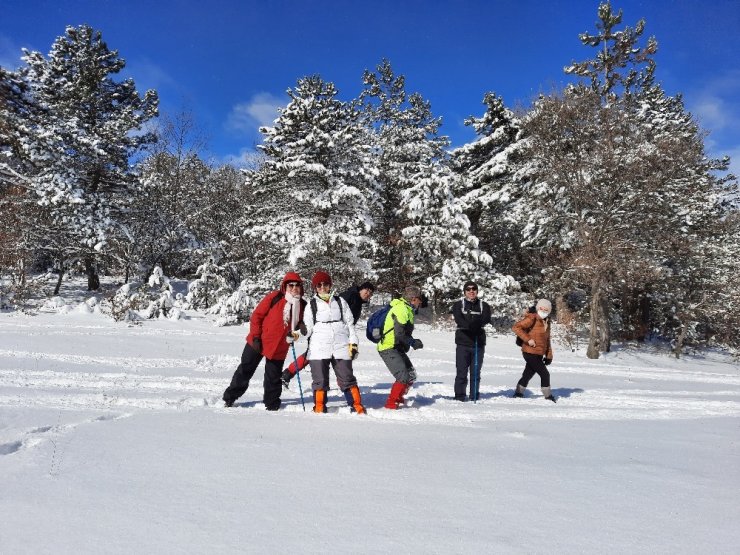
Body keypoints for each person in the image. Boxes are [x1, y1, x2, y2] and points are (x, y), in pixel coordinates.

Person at [222, 272, 307, 410]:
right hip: (259, 341)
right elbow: (257, 316)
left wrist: (300, 327)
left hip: (279, 346)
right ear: (285, 286)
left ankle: (272, 404)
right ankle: (229, 398)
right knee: (245, 370)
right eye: (291, 285)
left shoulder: (302, 305)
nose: (294, 288)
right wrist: (255, 337)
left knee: (273, 377)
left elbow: (298, 325)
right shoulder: (275, 297)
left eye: (297, 285)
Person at [280, 280, 376, 387]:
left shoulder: (354, 298)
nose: (368, 294)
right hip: (325, 332)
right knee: (315, 355)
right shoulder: (352, 296)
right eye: (367, 291)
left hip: (335, 334)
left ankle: (287, 374)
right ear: (361, 288)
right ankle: (287, 374)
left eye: (371, 293)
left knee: (322, 356)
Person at [303, 271, 365, 414]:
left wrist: (353, 343)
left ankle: (356, 407)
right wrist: (295, 334)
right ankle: (319, 407)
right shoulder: (311, 305)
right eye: (319, 285)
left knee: (347, 378)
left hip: (341, 345)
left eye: (325, 284)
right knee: (320, 380)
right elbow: (307, 328)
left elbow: (350, 325)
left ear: (330, 285)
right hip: (318, 347)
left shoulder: (340, 301)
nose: (322, 287)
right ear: (315, 287)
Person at [378, 285, 424, 409]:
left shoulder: (407, 309)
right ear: (413, 299)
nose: (421, 301)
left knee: (411, 374)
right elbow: (399, 333)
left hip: (397, 347)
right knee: (403, 376)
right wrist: (413, 342)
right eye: (420, 298)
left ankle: (399, 398)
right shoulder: (401, 309)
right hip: (388, 347)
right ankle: (391, 404)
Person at [451, 281, 492, 401]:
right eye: (468, 289)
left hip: (478, 343)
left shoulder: (484, 305)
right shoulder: (458, 304)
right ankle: (459, 396)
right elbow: (459, 319)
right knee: (461, 372)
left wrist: (477, 324)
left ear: (477, 291)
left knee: (475, 372)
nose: (471, 291)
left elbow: (486, 318)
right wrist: (470, 326)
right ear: (465, 292)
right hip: (463, 342)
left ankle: (474, 395)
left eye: (474, 289)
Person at [511, 298, 556, 402]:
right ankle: (548, 396)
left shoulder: (547, 322)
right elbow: (516, 327)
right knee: (545, 374)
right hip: (529, 351)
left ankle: (518, 392)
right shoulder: (532, 318)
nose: (543, 311)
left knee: (528, 373)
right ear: (537, 308)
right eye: (541, 308)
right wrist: (528, 339)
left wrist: (549, 356)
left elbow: (547, 340)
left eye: (546, 310)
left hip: (539, 353)